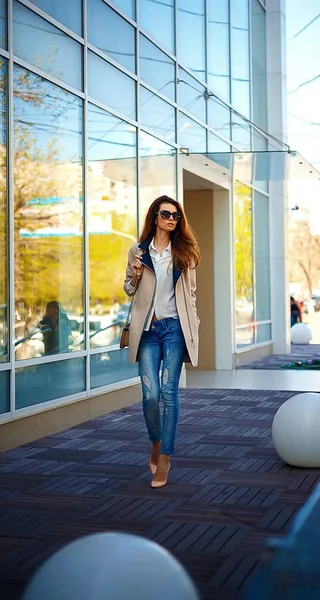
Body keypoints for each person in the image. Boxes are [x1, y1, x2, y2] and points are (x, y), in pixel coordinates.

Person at [123, 195, 200, 489]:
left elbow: (190, 295)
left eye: (176, 216)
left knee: (169, 392)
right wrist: (136, 275)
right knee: (149, 395)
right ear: (155, 216)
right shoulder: (138, 250)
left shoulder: (185, 252)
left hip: (175, 329)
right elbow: (128, 289)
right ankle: (155, 442)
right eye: (166, 214)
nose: (171, 219)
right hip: (147, 330)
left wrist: (193, 328)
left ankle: (164, 459)